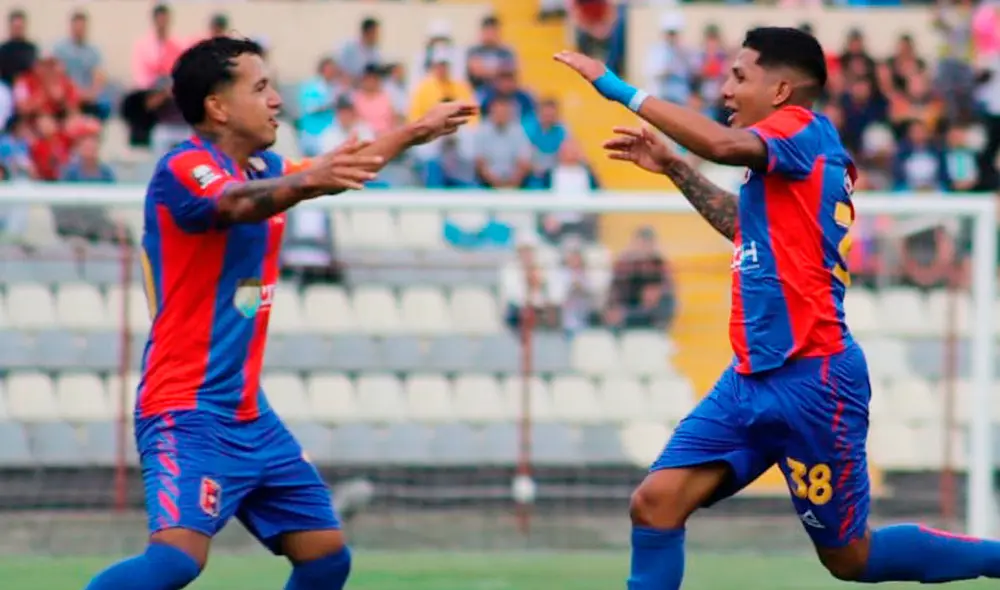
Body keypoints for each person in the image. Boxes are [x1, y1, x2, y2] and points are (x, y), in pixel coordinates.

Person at [555, 26, 1000, 590]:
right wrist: (673, 169)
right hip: (750, 379)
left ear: (782, 89)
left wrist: (618, 87)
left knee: (850, 559)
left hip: (812, 381)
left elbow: (718, 143)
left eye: (740, 76)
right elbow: (743, 229)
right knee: (655, 503)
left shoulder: (800, 131)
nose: (726, 88)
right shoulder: (788, 162)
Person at [82, 36, 474, 590]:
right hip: (185, 409)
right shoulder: (186, 167)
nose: (276, 100)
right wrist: (310, 179)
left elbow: (330, 169)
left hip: (248, 414)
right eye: (260, 88)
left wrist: (414, 131)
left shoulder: (266, 165)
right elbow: (236, 203)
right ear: (218, 106)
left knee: (325, 557)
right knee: (174, 562)